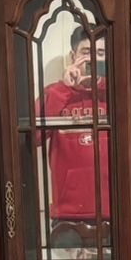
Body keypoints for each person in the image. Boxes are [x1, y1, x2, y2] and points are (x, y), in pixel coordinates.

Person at [40, 26, 109, 222]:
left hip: (115, 208)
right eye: (86, 52)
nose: (93, 59)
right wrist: (64, 88)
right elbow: (32, 137)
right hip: (67, 214)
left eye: (100, 53)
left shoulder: (116, 91)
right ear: (73, 56)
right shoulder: (55, 93)